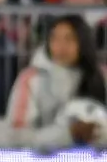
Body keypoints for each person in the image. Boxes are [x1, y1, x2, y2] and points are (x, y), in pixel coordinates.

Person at [6, 15, 107, 151]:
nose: (61, 46)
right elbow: (17, 136)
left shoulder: (103, 76)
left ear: (84, 42)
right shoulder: (30, 78)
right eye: (55, 39)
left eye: (70, 39)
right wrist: (67, 134)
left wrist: (98, 133)